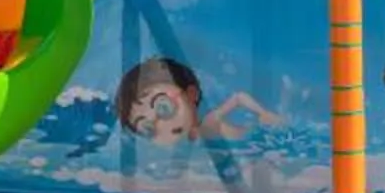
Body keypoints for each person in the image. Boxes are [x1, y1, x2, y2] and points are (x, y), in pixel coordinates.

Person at [113, 55, 278, 144]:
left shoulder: (210, 124)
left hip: (260, 143)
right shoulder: (181, 148)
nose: (159, 124)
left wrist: (264, 113)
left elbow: (238, 98)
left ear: (191, 95)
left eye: (163, 107)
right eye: (147, 128)